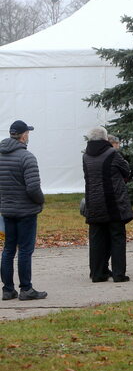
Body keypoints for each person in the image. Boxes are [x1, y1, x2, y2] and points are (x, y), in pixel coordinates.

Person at [0, 120, 46, 301]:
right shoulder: (27, 157)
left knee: (8, 249)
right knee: (25, 250)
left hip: (7, 210)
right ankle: (26, 289)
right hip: (26, 212)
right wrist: (41, 201)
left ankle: (7, 289)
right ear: (23, 135)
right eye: (28, 133)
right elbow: (33, 188)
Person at [82, 127, 133, 283]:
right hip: (113, 203)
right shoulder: (112, 154)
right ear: (105, 139)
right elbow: (126, 171)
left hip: (94, 203)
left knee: (97, 240)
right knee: (117, 237)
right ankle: (119, 274)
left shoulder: (85, 156)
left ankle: (97, 273)